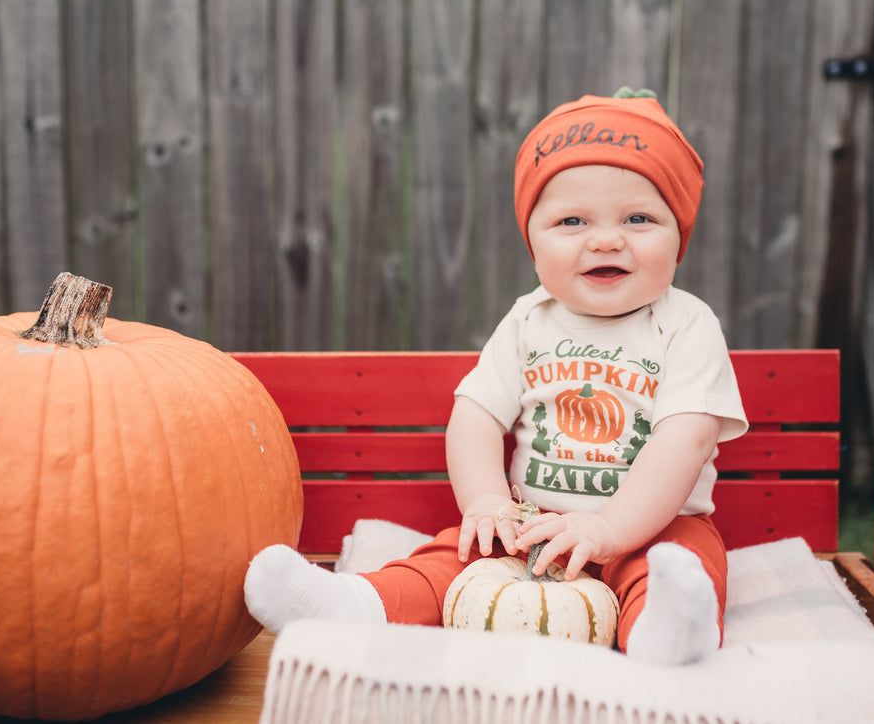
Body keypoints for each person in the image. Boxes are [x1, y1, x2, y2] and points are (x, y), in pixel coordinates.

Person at [244, 89, 748, 665]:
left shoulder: (686, 324)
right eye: (571, 220)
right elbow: (477, 415)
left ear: (679, 235)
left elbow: (684, 439)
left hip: (656, 527)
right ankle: (354, 604)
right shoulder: (529, 320)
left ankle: (665, 633)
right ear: (531, 241)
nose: (606, 239)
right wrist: (487, 504)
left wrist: (609, 530)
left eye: (639, 218)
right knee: (449, 562)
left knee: (682, 567)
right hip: (531, 525)